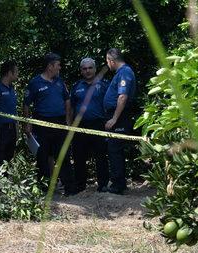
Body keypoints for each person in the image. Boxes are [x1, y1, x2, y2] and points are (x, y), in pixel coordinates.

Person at [23, 52, 76, 195]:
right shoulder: (35, 83)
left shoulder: (60, 82)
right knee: (43, 156)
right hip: (42, 124)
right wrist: (27, 124)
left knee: (63, 155)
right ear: (50, 66)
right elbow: (26, 105)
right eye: (58, 65)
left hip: (59, 123)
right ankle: (45, 188)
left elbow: (67, 100)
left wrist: (68, 121)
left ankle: (69, 189)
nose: (60, 68)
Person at [70, 57, 110, 193]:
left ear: (95, 68)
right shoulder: (76, 86)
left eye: (90, 68)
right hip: (79, 125)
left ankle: (103, 184)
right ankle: (80, 185)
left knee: (101, 155)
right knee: (79, 156)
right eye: (84, 68)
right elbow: (70, 108)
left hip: (98, 124)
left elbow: (111, 103)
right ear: (81, 71)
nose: (87, 71)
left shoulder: (104, 84)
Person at [103, 48, 136, 194]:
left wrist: (114, 118)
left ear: (111, 61)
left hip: (119, 118)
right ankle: (119, 183)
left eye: (107, 62)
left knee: (115, 150)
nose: (107, 65)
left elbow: (122, 97)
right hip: (116, 116)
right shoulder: (121, 72)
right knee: (114, 149)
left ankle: (118, 185)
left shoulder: (125, 72)